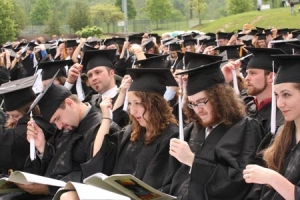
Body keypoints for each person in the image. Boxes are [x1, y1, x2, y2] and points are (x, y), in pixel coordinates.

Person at [1, 82, 118, 200]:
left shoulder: (103, 129)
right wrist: (42, 147)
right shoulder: (67, 127)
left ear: (70, 103)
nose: (59, 126)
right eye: (54, 123)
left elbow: (95, 176)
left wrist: (49, 188)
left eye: (58, 118)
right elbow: (56, 163)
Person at [168, 60, 263, 200]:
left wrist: (192, 160)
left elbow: (240, 181)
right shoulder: (193, 130)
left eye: (202, 101)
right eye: (193, 103)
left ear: (220, 98)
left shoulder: (246, 128)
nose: (198, 109)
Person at [244, 54, 300, 200]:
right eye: (277, 95)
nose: (279, 103)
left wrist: (273, 178)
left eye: (286, 94)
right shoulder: (282, 133)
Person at [0, 76, 53, 178]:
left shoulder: (38, 125)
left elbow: (10, 140)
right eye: (9, 115)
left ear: (30, 111)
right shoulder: (14, 124)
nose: (11, 119)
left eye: (16, 116)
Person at [66, 49, 129, 128]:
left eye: (98, 72)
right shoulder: (91, 101)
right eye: (90, 75)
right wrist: (69, 82)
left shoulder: (127, 100)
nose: (93, 78)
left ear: (111, 73)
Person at [244, 47, 285, 152]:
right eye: (247, 73)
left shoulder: (281, 115)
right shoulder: (247, 106)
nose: (246, 78)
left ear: (271, 77)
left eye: (253, 73)